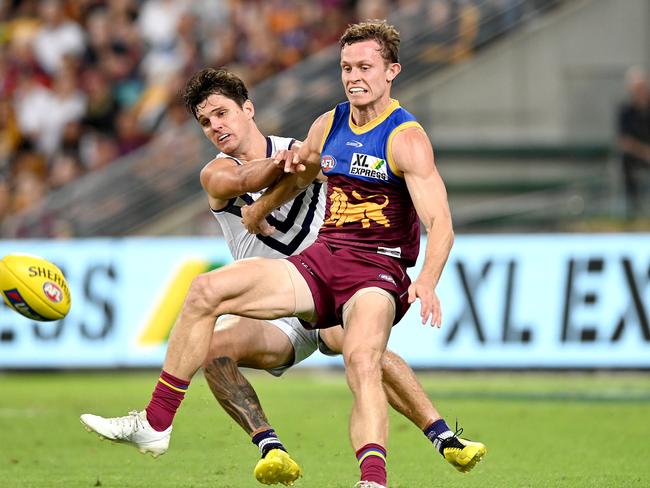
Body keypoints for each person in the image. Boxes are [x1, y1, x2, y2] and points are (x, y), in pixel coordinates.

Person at [80, 21, 485, 488]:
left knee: (360, 358)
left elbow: (441, 223)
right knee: (205, 292)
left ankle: (383, 473)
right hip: (316, 266)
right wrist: (263, 208)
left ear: (391, 71)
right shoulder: (319, 128)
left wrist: (428, 278)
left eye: (365, 67)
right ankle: (159, 424)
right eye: (346, 67)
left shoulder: (405, 137)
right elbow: (289, 174)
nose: (354, 77)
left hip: (375, 270)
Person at [617, 66, 650, 219]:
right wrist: (644, 152)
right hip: (637, 155)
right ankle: (633, 208)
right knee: (625, 162)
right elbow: (625, 141)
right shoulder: (626, 111)